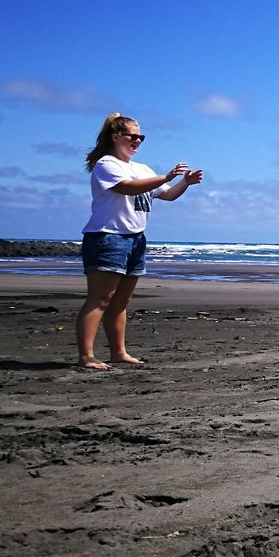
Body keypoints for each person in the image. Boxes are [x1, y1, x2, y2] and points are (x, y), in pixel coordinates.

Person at [76, 113, 203, 370]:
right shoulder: (107, 164)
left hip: (135, 239)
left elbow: (166, 195)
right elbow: (127, 188)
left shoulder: (142, 169)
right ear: (116, 137)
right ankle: (86, 356)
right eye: (133, 136)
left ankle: (118, 352)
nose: (137, 141)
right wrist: (166, 177)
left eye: (140, 137)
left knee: (122, 301)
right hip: (107, 237)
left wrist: (184, 183)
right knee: (101, 298)